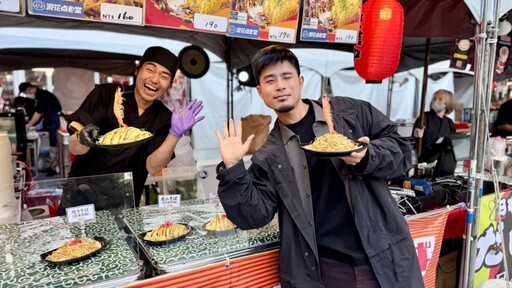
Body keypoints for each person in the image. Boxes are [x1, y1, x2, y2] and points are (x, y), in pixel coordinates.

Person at [215, 45, 423, 288]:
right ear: (260, 91)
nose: (280, 86)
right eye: (270, 80)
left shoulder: (349, 113)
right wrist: (233, 168)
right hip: (325, 267)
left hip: (381, 253)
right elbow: (252, 216)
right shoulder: (269, 155)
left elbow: (401, 151)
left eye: (286, 77)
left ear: (300, 81)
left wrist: (367, 156)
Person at [63, 46, 204, 210]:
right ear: (137, 70)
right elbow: (74, 147)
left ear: (170, 84)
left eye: (164, 76)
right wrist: (83, 139)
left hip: (125, 201)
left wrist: (175, 134)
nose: (155, 79)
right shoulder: (105, 95)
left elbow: (152, 166)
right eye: (150, 70)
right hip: (82, 195)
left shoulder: (164, 117)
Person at [19, 82, 63, 176]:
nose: (27, 94)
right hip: (49, 119)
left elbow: (38, 113)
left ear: (29, 89)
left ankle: (52, 167)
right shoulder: (41, 95)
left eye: (26, 92)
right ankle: (50, 166)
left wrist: (29, 124)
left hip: (52, 120)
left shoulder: (42, 95)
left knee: (52, 143)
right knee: (51, 143)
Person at [412, 89, 456, 163]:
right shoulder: (424, 118)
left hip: (443, 162)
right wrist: (416, 136)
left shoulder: (449, 122)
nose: (435, 101)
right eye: (434, 98)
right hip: (424, 162)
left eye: (440, 99)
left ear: (448, 103)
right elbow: (413, 144)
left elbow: (452, 144)